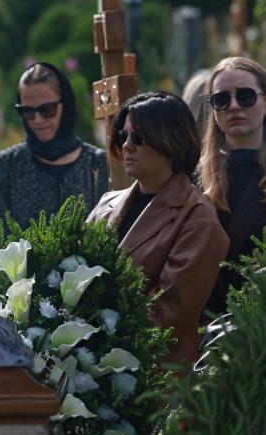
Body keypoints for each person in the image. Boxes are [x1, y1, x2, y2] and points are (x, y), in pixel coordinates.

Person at [87, 91, 228, 367]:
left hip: (156, 377)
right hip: (92, 366)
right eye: (122, 136)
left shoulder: (198, 218)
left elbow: (169, 313)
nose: (127, 146)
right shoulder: (107, 204)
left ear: (170, 141)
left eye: (138, 138)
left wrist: (90, 325)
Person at [200, 57, 266, 314]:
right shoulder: (194, 181)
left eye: (246, 96)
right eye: (222, 99)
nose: (234, 106)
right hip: (208, 329)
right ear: (213, 110)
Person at [0, 61, 110, 235]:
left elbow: (109, 237)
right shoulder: (4, 167)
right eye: (27, 111)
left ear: (65, 105)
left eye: (47, 109)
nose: (38, 120)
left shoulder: (98, 164)